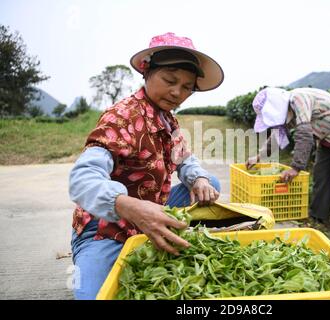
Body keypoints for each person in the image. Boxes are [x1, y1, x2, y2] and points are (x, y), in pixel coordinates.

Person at [69, 32, 224, 299]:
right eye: (170, 80)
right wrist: (129, 207)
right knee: (92, 296)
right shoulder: (121, 117)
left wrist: (197, 178)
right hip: (107, 227)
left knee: (209, 184)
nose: (177, 92)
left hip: (151, 212)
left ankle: (161, 230)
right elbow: (82, 179)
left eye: (187, 87)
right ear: (146, 72)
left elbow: (184, 160)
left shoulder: (167, 120)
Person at [246, 87, 330, 234]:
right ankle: (318, 217)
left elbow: (304, 134)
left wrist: (295, 167)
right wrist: (259, 156)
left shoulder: (298, 99)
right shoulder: (287, 109)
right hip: (325, 136)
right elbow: (277, 136)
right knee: (320, 176)